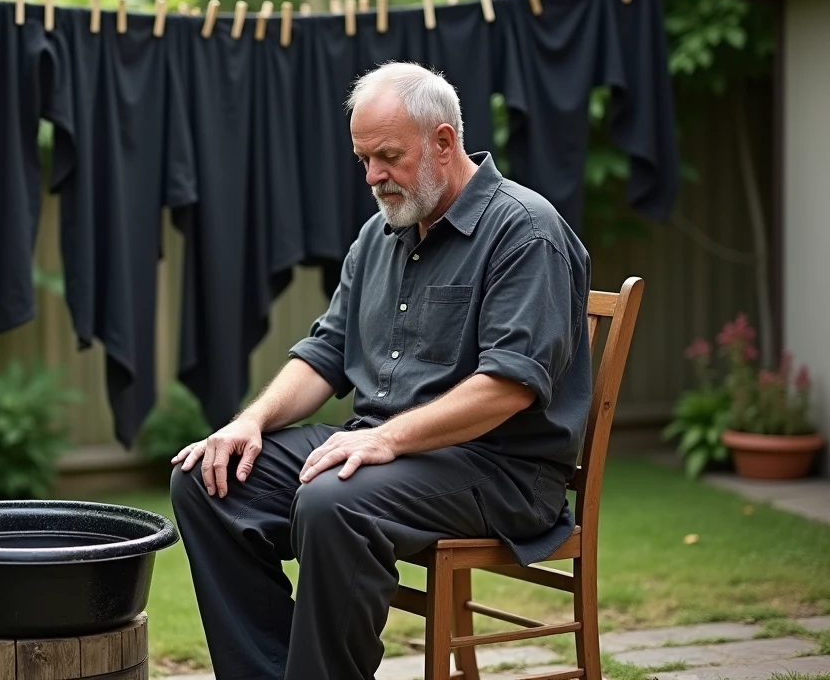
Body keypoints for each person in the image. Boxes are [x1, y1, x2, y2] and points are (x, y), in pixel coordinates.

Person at [168, 61, 593, 680]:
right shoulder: (379, 235)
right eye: (364, 158)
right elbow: (324, 353)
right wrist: (248, 422)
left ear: (444, 142)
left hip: (501, 469)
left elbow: (506, 388)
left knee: (333, 501)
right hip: (385, 449)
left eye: (388, 157)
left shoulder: (525, 231)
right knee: (210, 479)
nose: (373, 176)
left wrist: (383, 439)